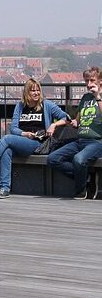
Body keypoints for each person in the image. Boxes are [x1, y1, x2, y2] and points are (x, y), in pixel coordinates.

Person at [0, 78, 69, 198]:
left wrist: (53, 125)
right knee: (6, 151)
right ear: (27, 92)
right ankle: (4, 188)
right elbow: (14, 128)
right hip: (23, 140)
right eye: (33, 90)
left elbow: (66, 117)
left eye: (38, 90)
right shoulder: (20, 106)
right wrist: (24, 134)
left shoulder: (46, 105)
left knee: (6, 139)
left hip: (38, 143)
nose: (36, 93)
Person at [47, 66, 102, 200]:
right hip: (80, 140)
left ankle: (81, 190)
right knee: (52, 159)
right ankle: (85, 177)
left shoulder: (99, 98)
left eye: (92, 80)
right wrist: (75, 123)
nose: (89, 84)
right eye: (86, 81)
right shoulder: (85, 98)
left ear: (100, 81)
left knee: (78, 159)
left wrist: (98, 96)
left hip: (97, 142)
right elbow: (78, 119)